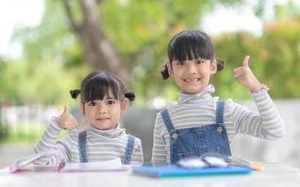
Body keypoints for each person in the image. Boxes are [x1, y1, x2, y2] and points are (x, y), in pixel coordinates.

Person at [151, 30, 284, 164]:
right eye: (181, 63)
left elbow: (274, 131)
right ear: (171, 69)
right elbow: (157, 168)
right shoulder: (163, 119)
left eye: (199, 61)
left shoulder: (228, 111)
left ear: (212, 66)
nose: (191, 70)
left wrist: (257, 89)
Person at [34, 71, 143, 165]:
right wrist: (55, 126)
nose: (102, 110)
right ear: (83, 108)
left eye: (110, 102)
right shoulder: (73, 142)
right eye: (93, 103)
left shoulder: (133, 145)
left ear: (123, 105)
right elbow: (40, 162)